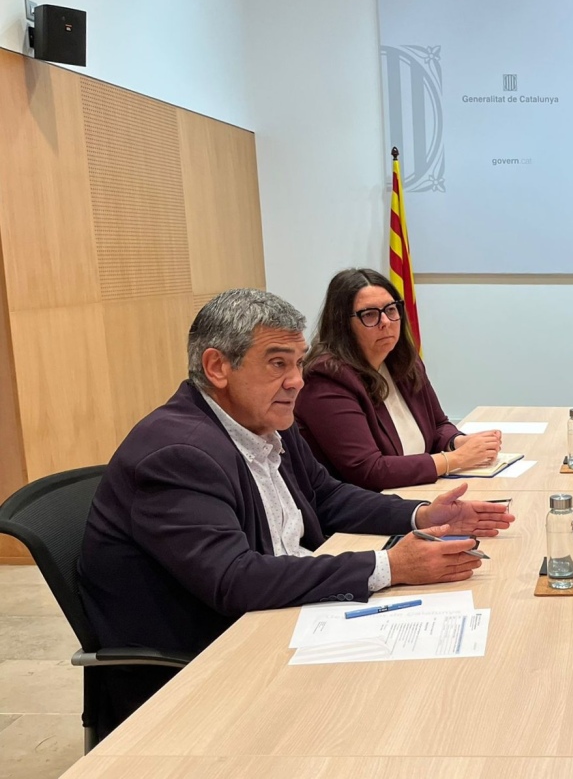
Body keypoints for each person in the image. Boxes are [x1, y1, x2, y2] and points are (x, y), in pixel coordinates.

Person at [79, 288, 515, 735]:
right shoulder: (178, 453)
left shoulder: (264, 421)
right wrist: (390, 565)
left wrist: (422, 516)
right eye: (277, 364)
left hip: (280, 618)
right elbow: (235, 579)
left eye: (298, 363)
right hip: (209, 667)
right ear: (217, 367)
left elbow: (327, 497)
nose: (296, 381)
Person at [294, 268, 502, 490]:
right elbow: (369, 471)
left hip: (416, 490)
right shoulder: (326, 379)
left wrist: (458, 442)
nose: (386, 321)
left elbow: (438, 425)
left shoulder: (403, 362)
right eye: (370, 314)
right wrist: (456, 459)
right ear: (342, 324)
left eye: (391, 309)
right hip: (367, 504)